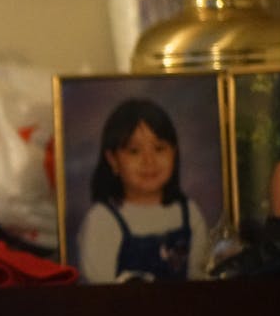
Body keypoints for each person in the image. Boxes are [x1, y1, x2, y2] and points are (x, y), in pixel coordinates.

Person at [76, 98, 210, 283]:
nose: (149, 161)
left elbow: (201, 279)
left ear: (175, 152)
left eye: (159, 149)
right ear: (113, 160)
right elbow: (99, 294)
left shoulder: (189, 213)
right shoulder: (101, 220)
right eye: (134, 151)